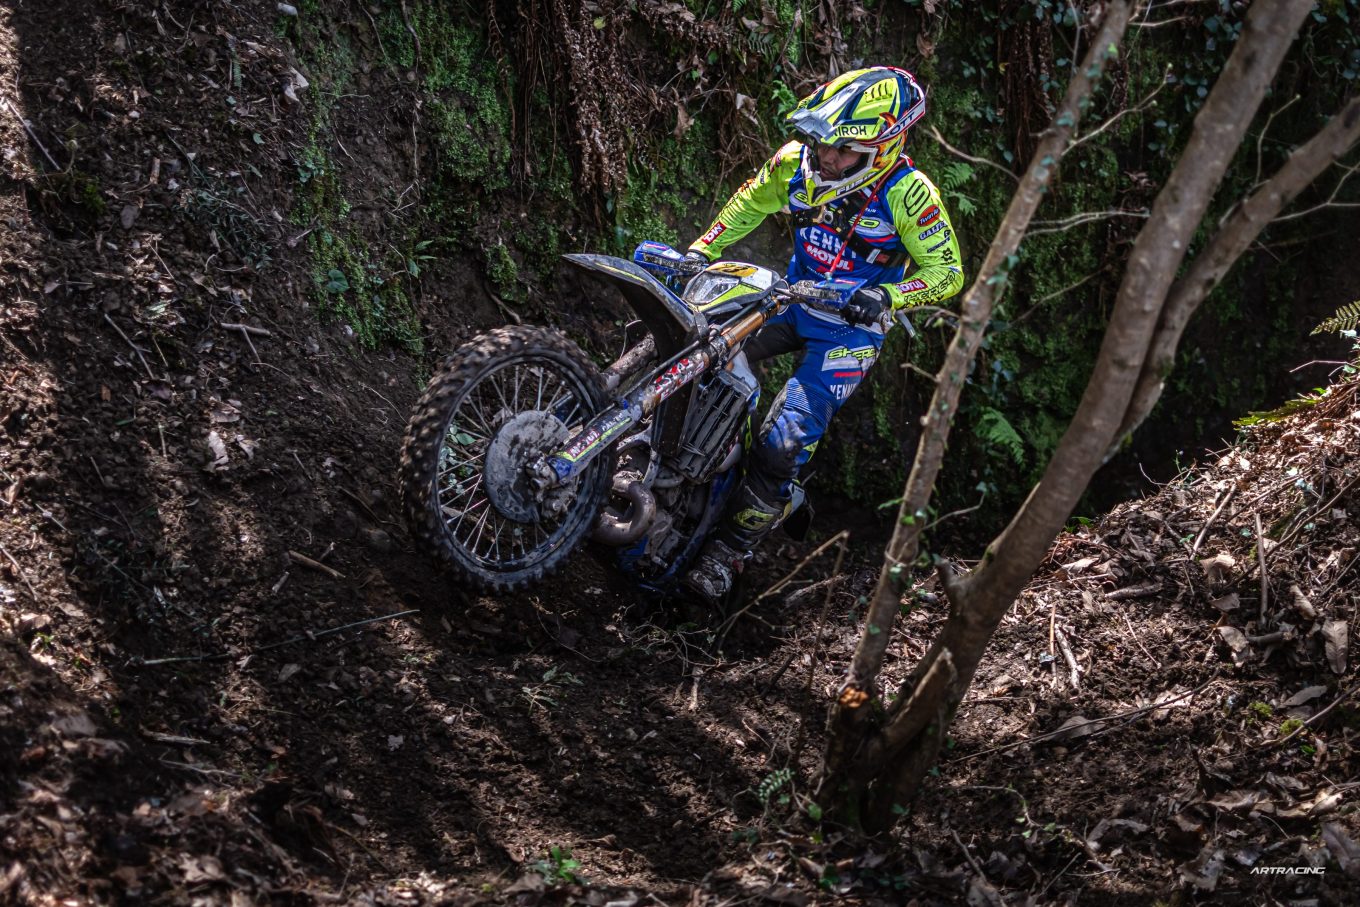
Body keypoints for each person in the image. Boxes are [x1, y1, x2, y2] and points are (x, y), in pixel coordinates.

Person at [681, 66, 965, 603]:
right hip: (790, 299)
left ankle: (727, 553)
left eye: (844, 150)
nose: (827, 158)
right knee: (696, 346)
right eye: (823, 143)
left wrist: (888, 297)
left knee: (784, 443)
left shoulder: (909, 194)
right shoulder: (795, 161)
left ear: (881, 148)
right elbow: (751, 201)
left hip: (851, 333)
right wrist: (702, 250)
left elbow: (948, 271)